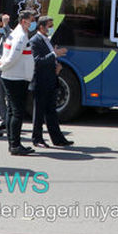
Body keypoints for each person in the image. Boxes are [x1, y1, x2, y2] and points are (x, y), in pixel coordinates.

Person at [0, 9, 36, 156]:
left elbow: (7, 54)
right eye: (32, 20)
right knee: (17, 112)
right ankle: (15, 145)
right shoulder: (20, 36)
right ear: (24, 21)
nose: (33, 23)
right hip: (16, 77)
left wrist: (1, 65)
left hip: (13, 76)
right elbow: (12, 57)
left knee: (12, 111)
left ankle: (13, 143)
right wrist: (2, 67)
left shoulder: (15, 33)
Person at [29, 15, 72, 148]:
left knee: (51, 111)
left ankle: (57, 138)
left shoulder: (48, 40)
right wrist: (54, 54)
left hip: (51, 79)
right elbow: (37, 61)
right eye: (50, 26)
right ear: (41, 27)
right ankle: (37, 138)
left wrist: (56, 66)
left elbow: (50, 58)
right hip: (41, 81)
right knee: (39, 111)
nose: (52, 28)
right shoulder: (35, 40)